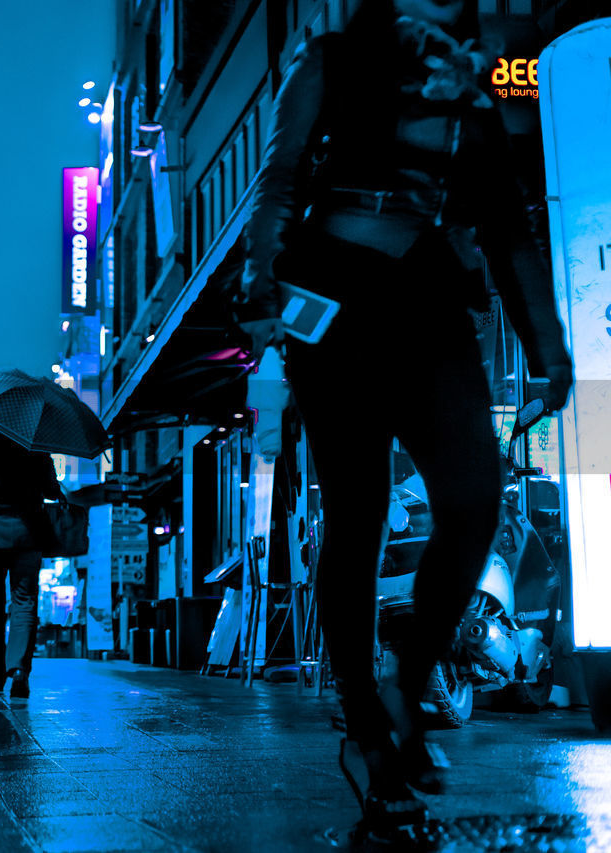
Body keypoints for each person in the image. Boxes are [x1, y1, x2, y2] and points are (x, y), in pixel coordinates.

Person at [237, 0, 573, 828]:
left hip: (429, 310)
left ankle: (403, 678)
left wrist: (548, 347)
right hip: (336, 303)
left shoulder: (473, 94)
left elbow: (510, 230)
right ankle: (365, 719)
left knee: (475, 497)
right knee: (358, 513)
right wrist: (260, 283)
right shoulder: (329, 61)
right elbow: (278, 176)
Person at [0, 428, 63, 697]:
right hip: (29, 535)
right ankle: (19, 669)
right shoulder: (36, 446)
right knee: (24, 602)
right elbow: (53, 489)